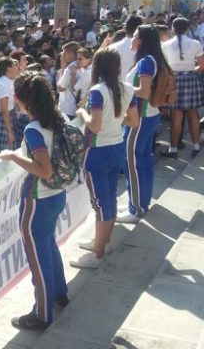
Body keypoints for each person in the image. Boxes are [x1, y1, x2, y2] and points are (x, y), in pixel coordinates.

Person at [0, 71, 68, 330]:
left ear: (18, 99)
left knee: (38, 256)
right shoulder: (56, 119)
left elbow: (44, 169)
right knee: (49, 245)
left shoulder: (33, 128)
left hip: (38, 199)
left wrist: (14, 157)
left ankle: (42, 312)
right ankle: (59, 294)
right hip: (57, 195)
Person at [71, 49, 139, 268]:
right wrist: (115, 121)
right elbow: (134, 122)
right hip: (117, 147)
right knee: (109, 198)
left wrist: (81, 114)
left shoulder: (98, 91)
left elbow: (95, 126)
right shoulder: (128, 89)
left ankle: (98, 253)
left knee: (101, 203)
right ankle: (103, 242)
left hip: (97, 152)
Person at [117, 25, 172, 224]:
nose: (131, 39)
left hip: (139, 118)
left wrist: (122, 87)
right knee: (144, 160)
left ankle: (136, 208)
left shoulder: (146, 62)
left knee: (131, 161)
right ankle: (140, 202)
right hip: (149, 116)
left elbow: (144, 92)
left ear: (141, 40)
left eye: (134, 36)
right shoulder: (153, 59)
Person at [161, 17, 203, 158]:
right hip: (190, 79)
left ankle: (173, 149)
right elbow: (202, 66)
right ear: (187, 28)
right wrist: (191, 70)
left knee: (176, 116)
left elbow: (164, 67)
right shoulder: (196, 43)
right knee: (193, 115)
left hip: (174, 80)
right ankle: (196, 146)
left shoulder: (166, 45)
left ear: (173, 28)